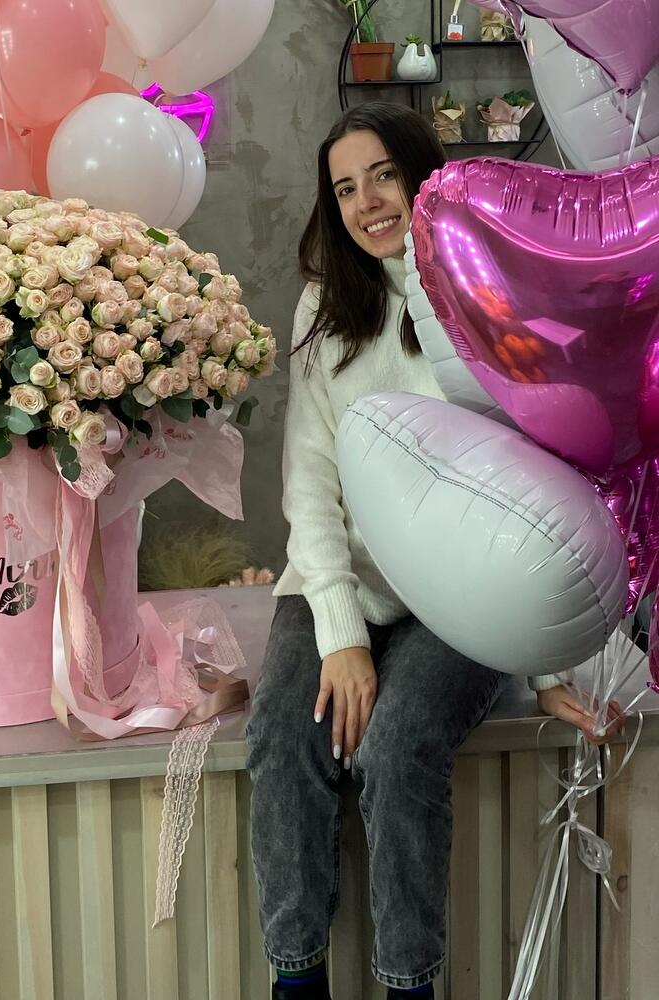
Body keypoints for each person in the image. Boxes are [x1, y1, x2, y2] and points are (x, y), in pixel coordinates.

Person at [245, 101, 626, 1000]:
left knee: (397, 747)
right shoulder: (323, 308)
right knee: (283, 736)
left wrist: (545, 661)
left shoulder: (491, 294)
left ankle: (407, 985)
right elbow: (309, 482)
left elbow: (540, 472)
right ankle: (295, 979)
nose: (368, 202)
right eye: (346, 188)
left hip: (461, 592)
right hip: (345, 580)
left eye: (384, 174)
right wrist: (340, 633)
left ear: (425, 175)